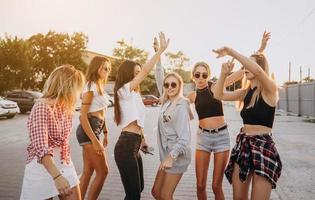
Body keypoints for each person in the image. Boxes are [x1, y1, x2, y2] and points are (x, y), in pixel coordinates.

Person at [212, 32, 282, 200]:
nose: (245, 68)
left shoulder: (270, 90)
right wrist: (224, 73)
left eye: (248, 65)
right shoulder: (245, 93)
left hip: (263, 147)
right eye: (245, 65)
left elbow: (257, 70)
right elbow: (217, 93)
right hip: (244, 145)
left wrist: (231, 51)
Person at [113, 32, 169, 200]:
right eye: (136, 73)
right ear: (128, 74)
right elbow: (146, 71)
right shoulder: (123, 89)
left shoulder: (134, 94)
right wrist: (160, 52)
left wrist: (142, 140)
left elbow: (137, 119)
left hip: (134, 143)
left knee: (138, 188)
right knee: (133, 194)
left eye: (139, 72)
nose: (140, 75)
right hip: (126, 145)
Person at [20, 65, 85, 200]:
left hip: (64, 163)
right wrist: (57, 177)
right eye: (77, 87)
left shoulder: (65, 109)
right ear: (68, 87)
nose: (80, 93)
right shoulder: (41, 107)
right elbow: (41, 147)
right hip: (41, 167)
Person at [151, 37, 194, 200]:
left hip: (176, 156)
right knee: (156, 192)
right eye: (167, 85)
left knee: (165, 195)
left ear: (180, 86)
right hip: (167, 155)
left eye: (173, 85)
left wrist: (171, 156)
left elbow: (184, 139)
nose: (169, 87)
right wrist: (159, 54)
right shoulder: (167, 101)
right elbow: (159, 76)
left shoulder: (181, 105)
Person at [76, 56, 111, 200]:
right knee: (103, 172)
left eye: (109, 68)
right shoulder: (90, 87)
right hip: (88, 129)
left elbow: (102, 112)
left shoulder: (98, 85)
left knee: (88, 171)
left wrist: (105, 132)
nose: (107, 71)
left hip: (95, 128)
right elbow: (82, 116)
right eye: (104, 68)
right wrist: (95, 141)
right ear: (96, 68)